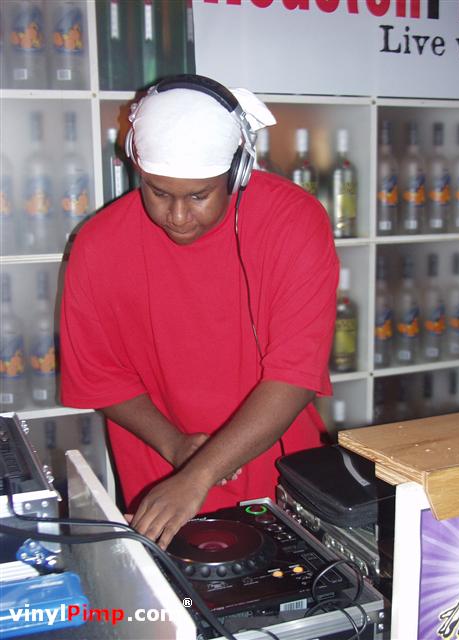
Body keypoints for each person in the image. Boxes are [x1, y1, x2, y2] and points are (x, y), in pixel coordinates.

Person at [60, 74, 339, 550]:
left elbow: (294, 373)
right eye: (158, 192)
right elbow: (100, 376)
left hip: (281, 475)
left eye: (198, 196)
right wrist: (177, 449)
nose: (177, 216)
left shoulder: (294, 221)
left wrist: (200, 472)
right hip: (160, 477)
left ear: (238, 172)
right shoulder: (97, 245)